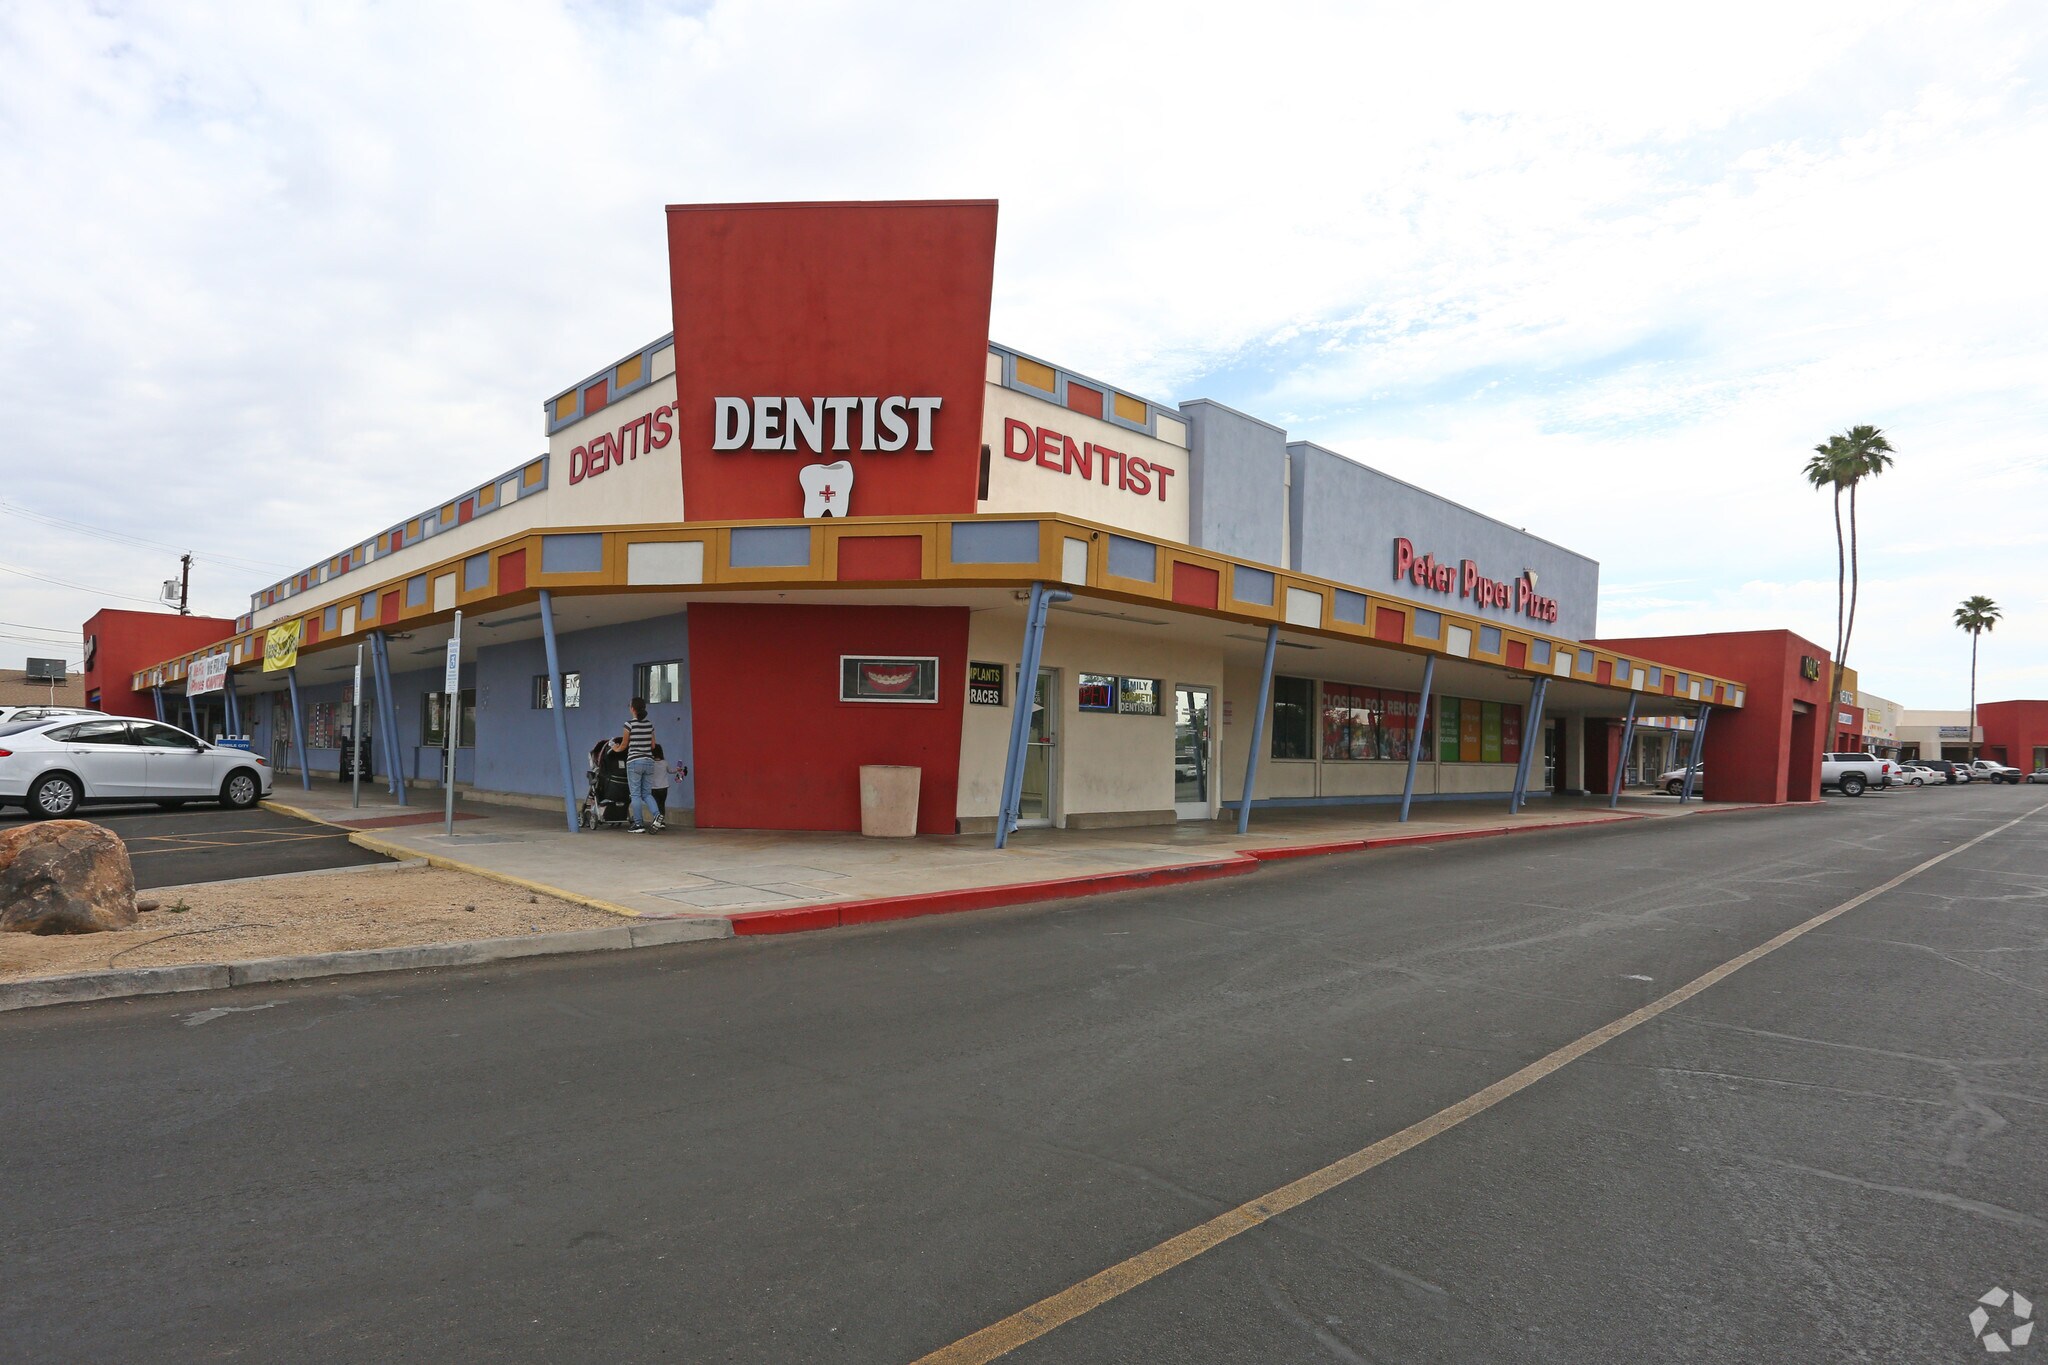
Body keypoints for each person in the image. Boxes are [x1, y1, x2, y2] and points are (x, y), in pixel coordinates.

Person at [613, 697, 660, 832]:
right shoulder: (649, 724)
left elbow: (624, 744)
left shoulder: (629, 725)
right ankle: (657, 815)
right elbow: (653, 745)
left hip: (634, 761)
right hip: (649, 761)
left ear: (632, 709)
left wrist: (615, 748)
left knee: (635, 794)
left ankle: (638, 824)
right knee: (646, 793)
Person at [650, 742, 671, 823]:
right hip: (664, 787)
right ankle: (662, 822)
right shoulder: (664, 762)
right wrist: (678, 770)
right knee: (662, 804)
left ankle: (656, 820)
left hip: (654, 788)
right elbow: (670, 771)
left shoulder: (651, 763)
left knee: (655, 805)